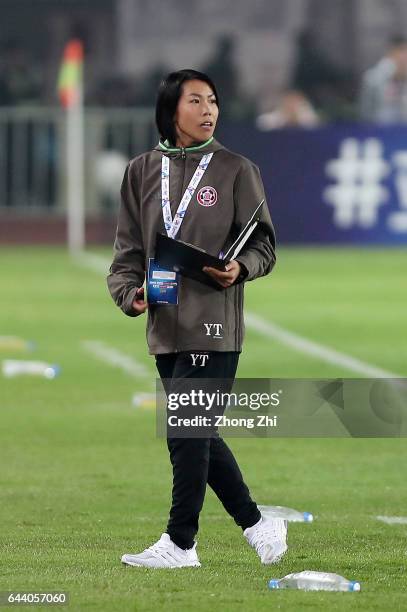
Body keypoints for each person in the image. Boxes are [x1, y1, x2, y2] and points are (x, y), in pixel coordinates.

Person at [107, 69, 287, 569]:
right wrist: (129, 293)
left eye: (212, 100)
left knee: (185, 428)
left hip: (215, 323)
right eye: (195, 101)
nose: (208, 109)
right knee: (197, 432)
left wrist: (241, 267)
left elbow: (265, 244)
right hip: (164, 326)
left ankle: (180, 543)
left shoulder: (236, 169)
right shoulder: (142, 171)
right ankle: (257, 523)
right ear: (171, 111)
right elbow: (126, 251)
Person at [359, 35, 407, 123]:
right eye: (401, 50)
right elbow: (366, 110)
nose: (404, 56)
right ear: (391, 52)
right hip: (380, 129)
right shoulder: (374, 77)